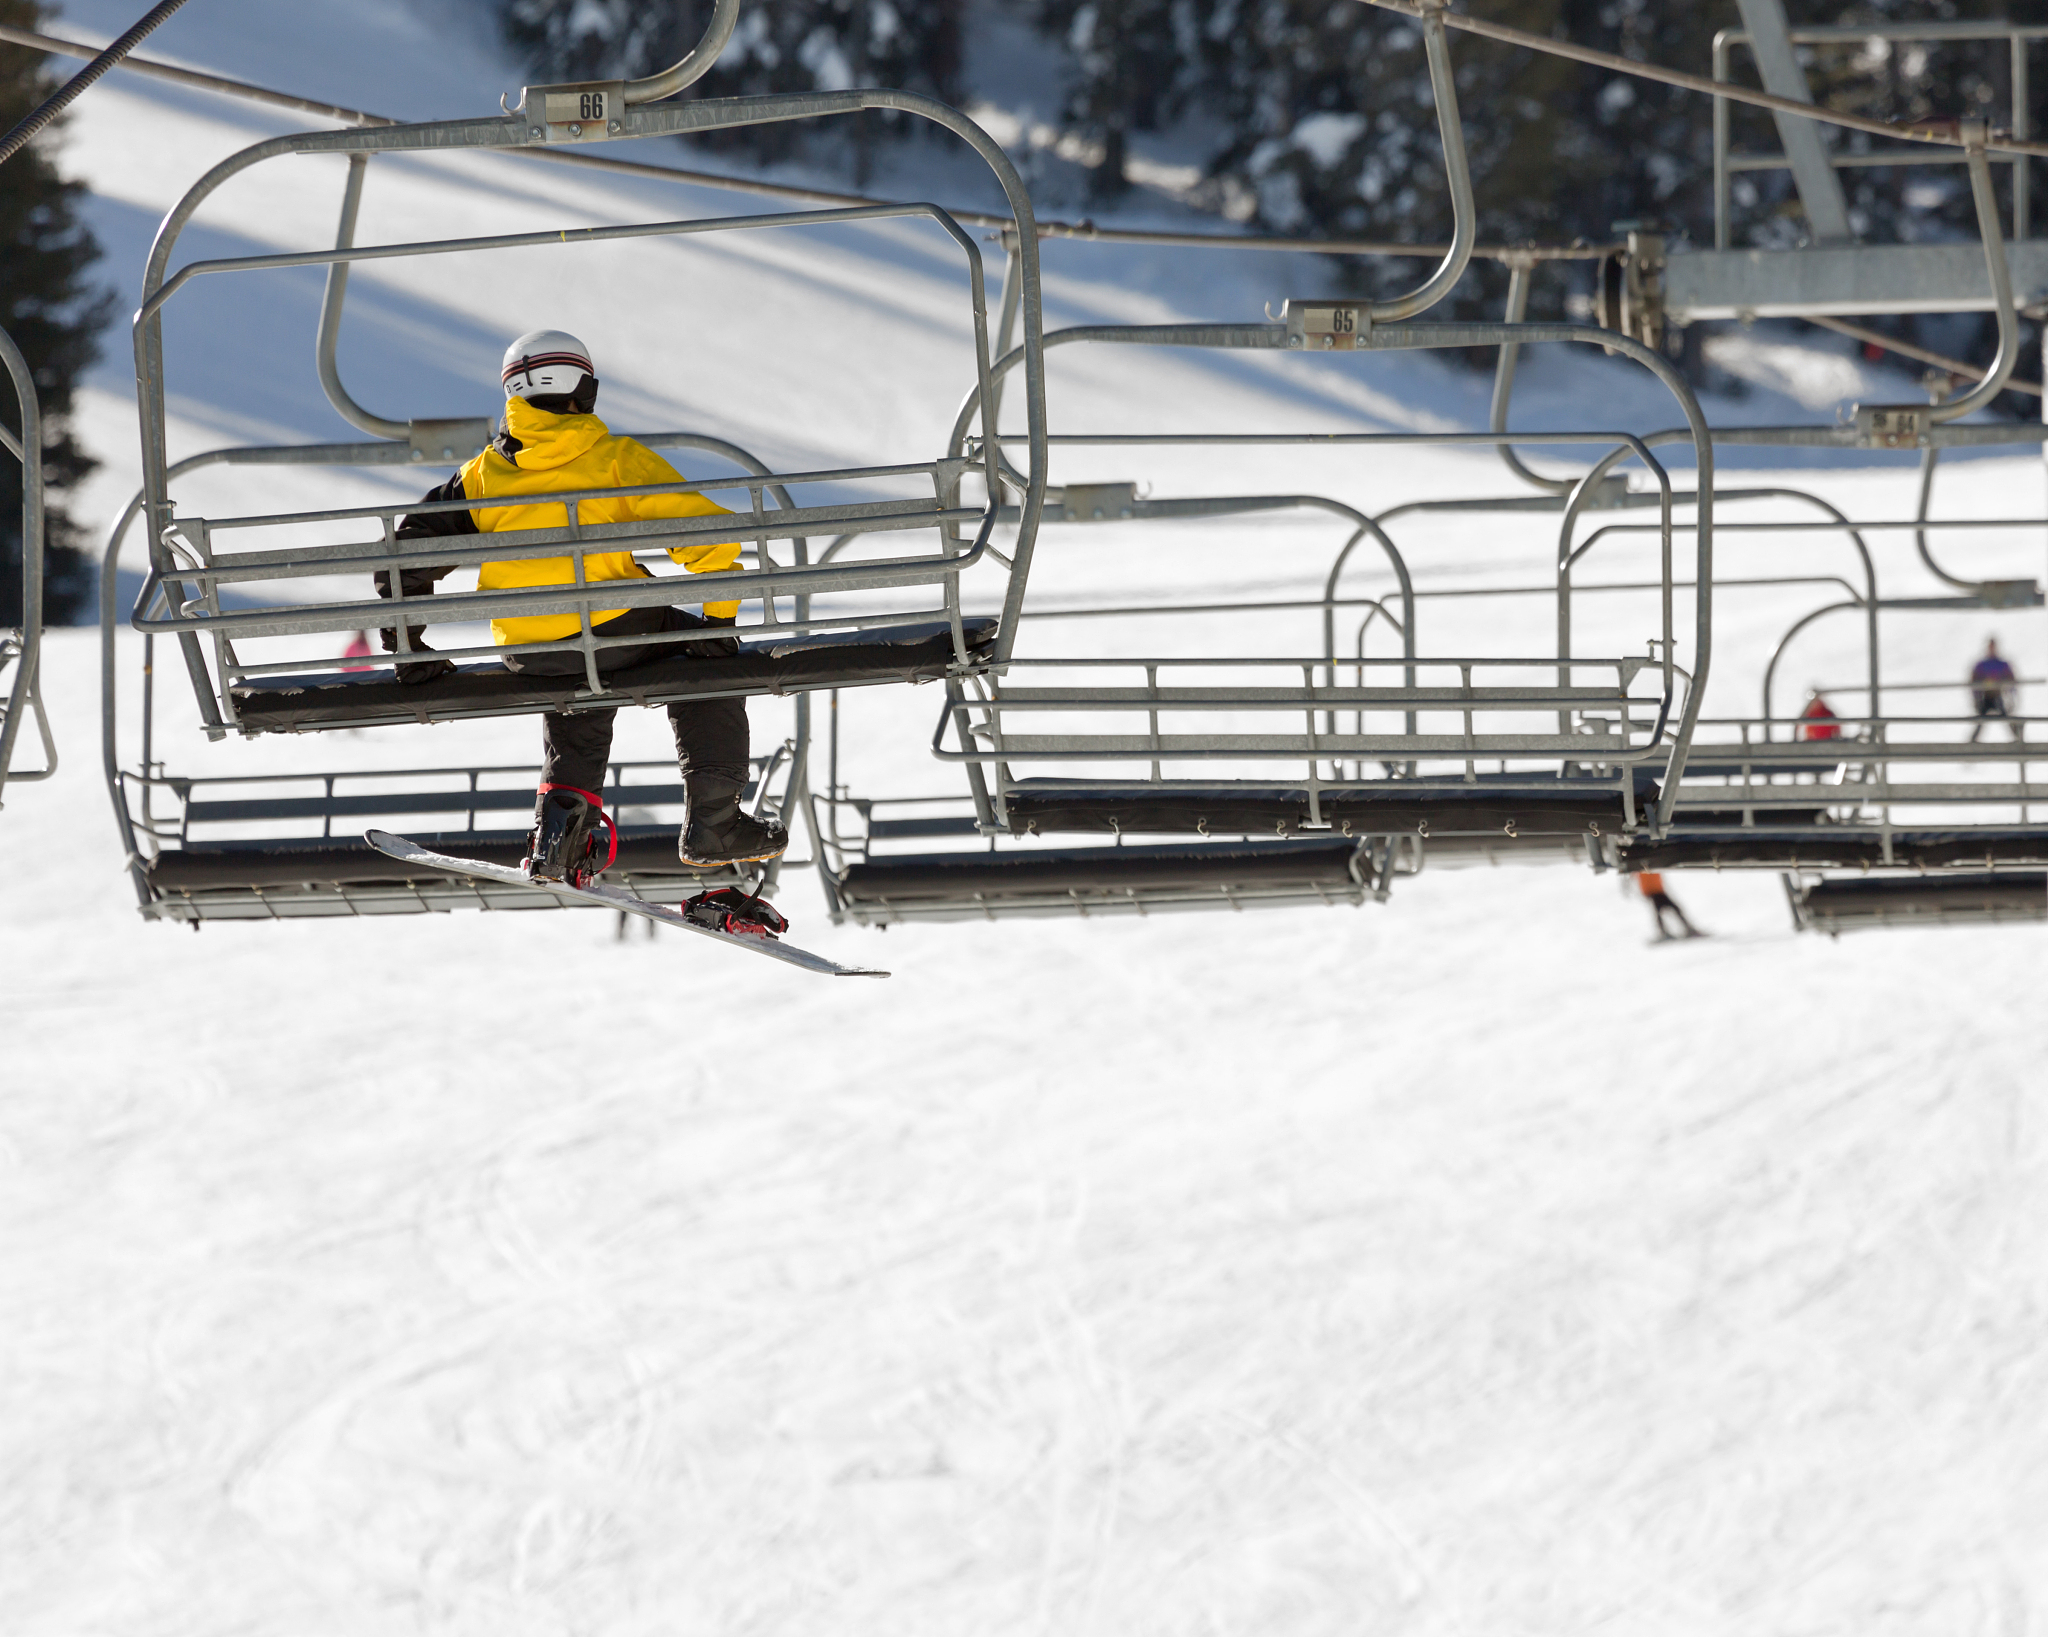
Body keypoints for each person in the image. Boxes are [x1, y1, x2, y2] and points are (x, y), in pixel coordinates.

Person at [374, 329, 787, 881]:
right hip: (614, 632)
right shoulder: (616, 460)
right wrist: (718, 624)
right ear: (584, 391)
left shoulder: (482, 475)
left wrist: (409, 645)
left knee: (577, 707)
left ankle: (559, 837)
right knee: (706, 668)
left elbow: (405, 556)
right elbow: (708, 536)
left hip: (528, 649)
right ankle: (715, 821)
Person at [1968, 638, 2020, 742]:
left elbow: (2011, 679)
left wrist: (2011, 695)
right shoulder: (1981, 665)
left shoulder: (2002, 664)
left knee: (2006, 717)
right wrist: (1976, 696)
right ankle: (1972, 742)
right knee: (1981, 718)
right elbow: (1974, 680)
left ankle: (2018, 739)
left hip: (1998, 695)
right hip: (1985, 697)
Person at [1634, 871, 1703, 941]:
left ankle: (1666, 932)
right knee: (1668, 910)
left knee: (1662, 911)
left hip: (1657, 890)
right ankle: (1667, 932)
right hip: (1653, 891)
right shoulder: (1643, 867)